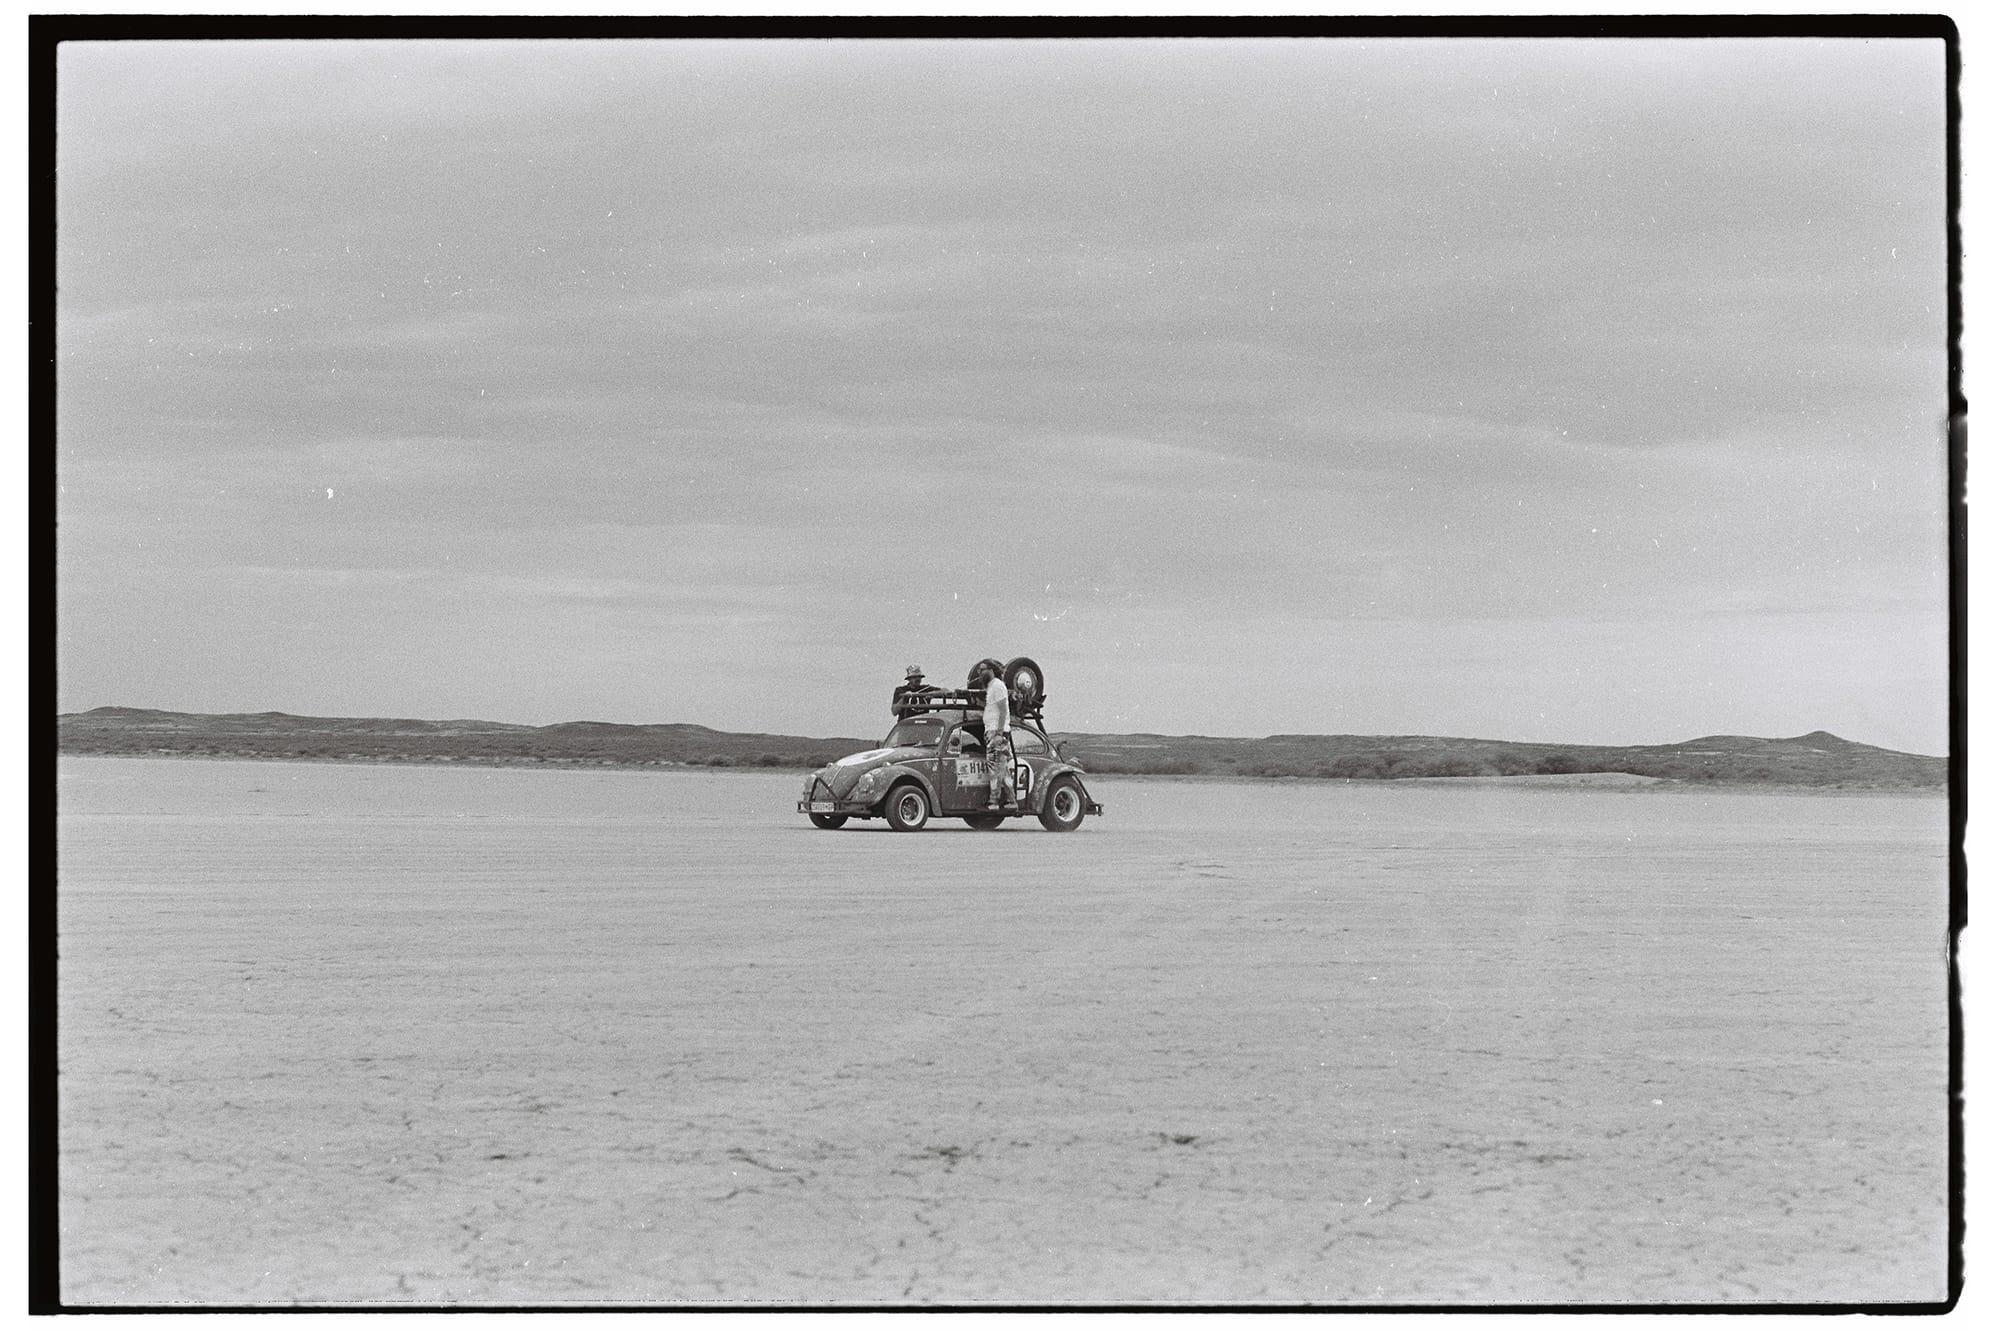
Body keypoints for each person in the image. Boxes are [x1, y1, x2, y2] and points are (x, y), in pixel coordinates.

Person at [968, 658, 1015, 809]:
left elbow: (1002, 710)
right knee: (1001, 768)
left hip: (996, 731)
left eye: (983, 670)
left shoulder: (997, 686)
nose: (980, 673)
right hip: (992, 730)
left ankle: (994, 801)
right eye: (979, 671)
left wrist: (999, 733)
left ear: (991, 670)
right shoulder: (991, 687)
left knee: (995, 767)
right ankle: (1010, 801)